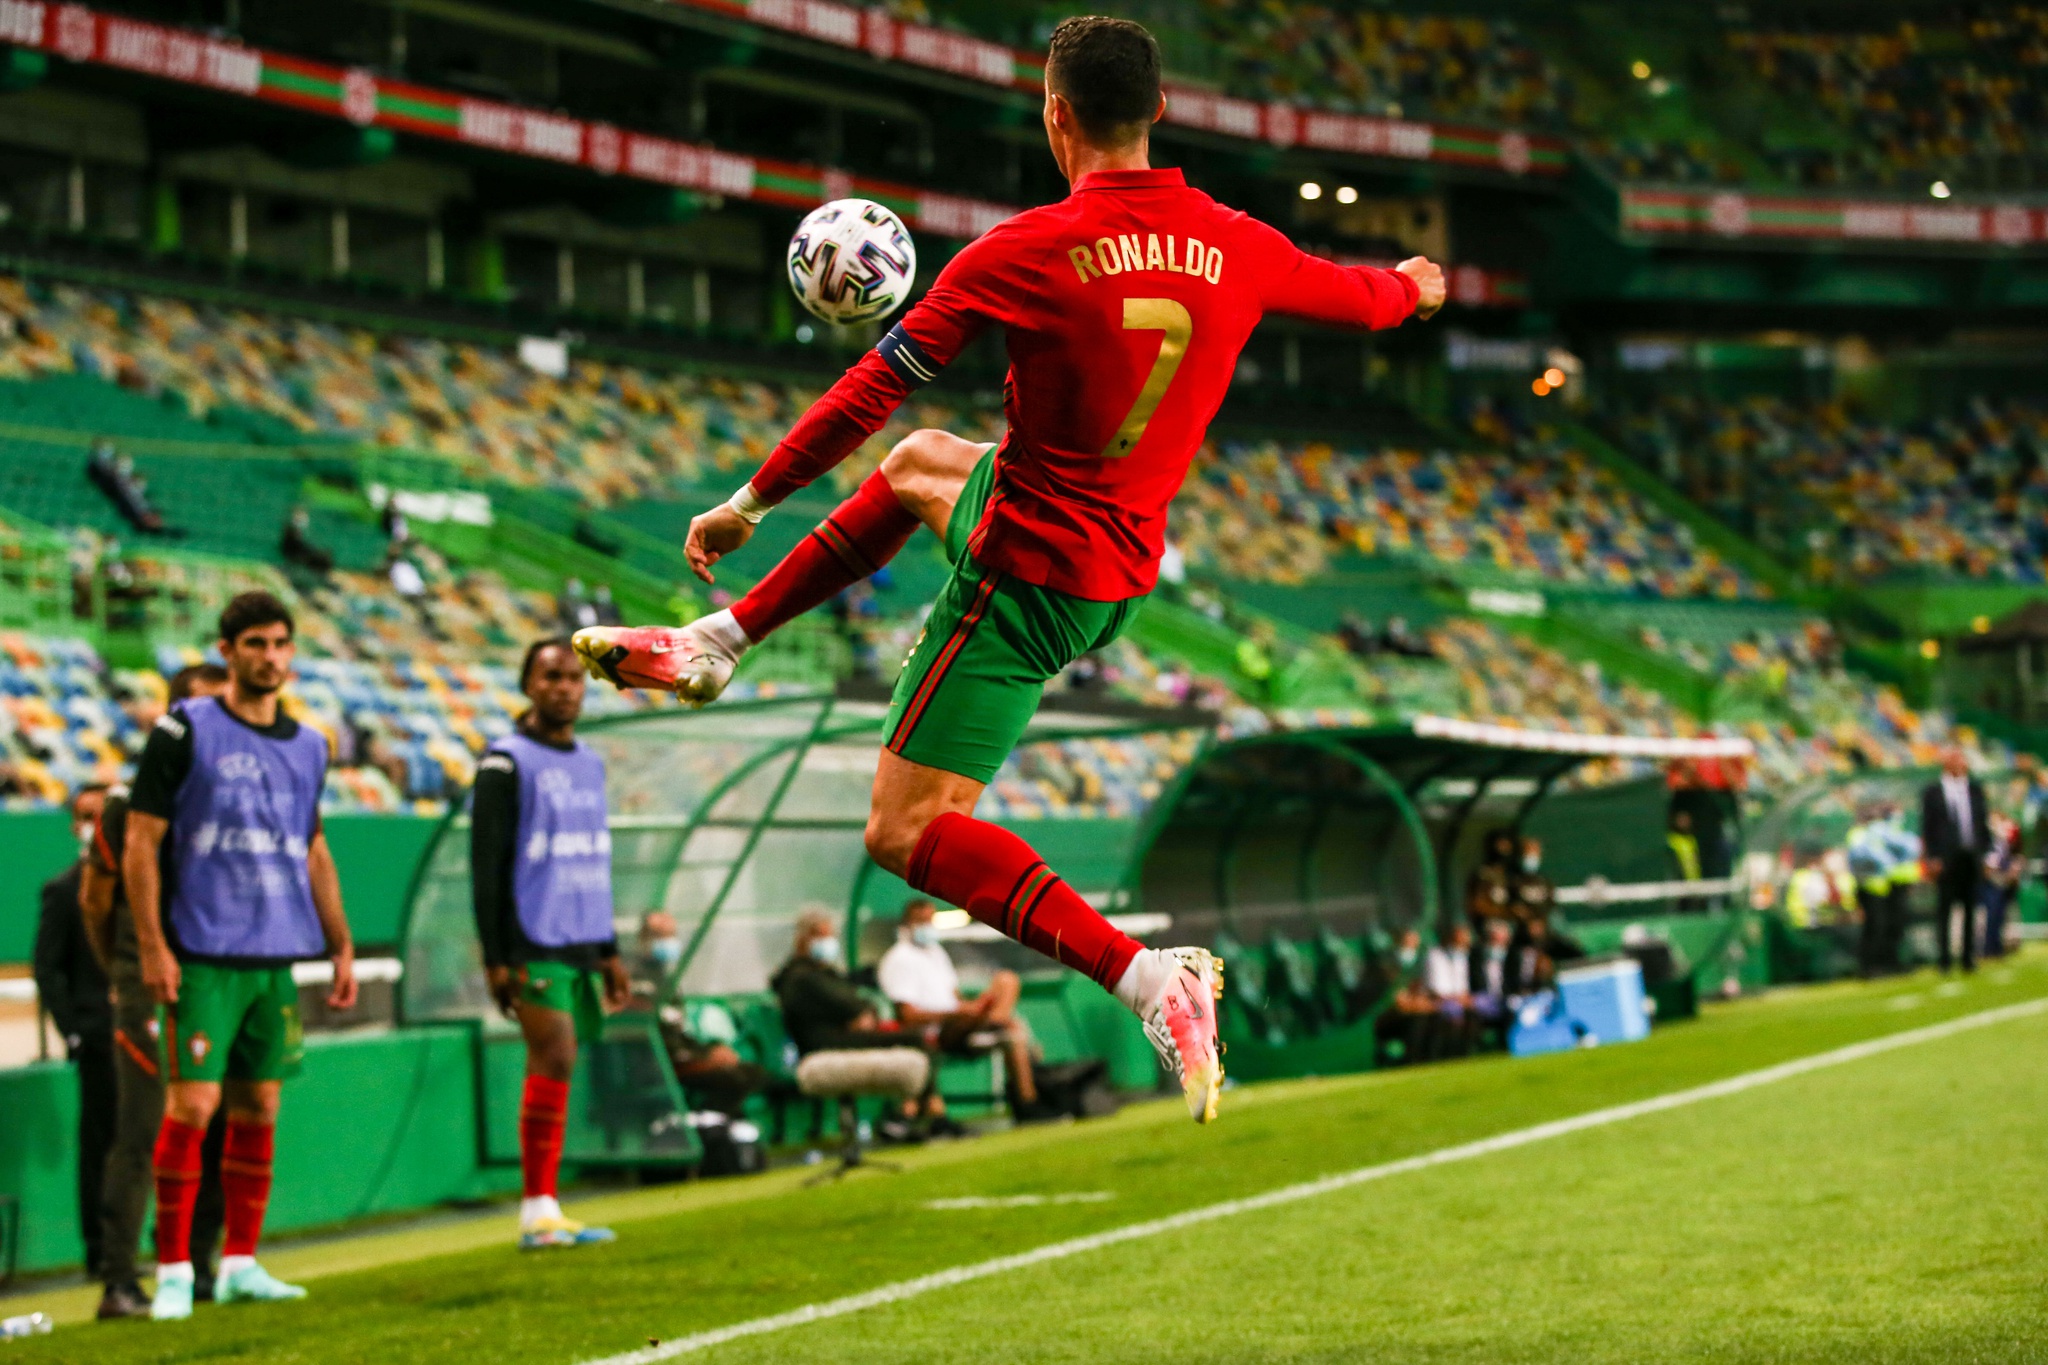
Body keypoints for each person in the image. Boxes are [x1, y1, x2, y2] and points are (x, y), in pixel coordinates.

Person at [572, 14, 1445, 1125]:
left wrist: (751, 500)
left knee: (903, 831)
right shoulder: (1239, 242)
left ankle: (1149, 978)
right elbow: (1364, 298)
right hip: (1116, 565)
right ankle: (716, 645)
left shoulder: (1022, 251)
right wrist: (1410, 285)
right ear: (1159, 112)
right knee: (918, 466)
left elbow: (867, 384)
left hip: (1021, 571)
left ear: (1054, 115)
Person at [124, 593, 358, 1321]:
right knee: (193, 1104)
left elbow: (312, 845)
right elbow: (138, 843)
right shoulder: (183, 729)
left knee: (260, 1103)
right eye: (255, 642)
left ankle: (239, 1262)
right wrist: (154, 947)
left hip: (276, 951)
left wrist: (341, 939)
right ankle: (169, 1271)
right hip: (200, 950)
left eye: (282, 643)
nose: (270, 656)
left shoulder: (310, 745)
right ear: (226, 651)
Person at [470, 639, 630, 1251]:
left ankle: (547, 1205)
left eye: (573, 677)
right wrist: (497, 957)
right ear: (528, 685)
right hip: (530, 937)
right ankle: (537, 1208)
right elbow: (487, 866)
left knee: (563, 1061)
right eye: (550, 677)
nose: (564, 687)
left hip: (581, 936)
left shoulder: (589, 762)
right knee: (555, 1054)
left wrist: (609, 949)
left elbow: (595, 856)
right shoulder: (504, 764)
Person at [84, 664, 230, 1321]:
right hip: (151, 984)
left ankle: (202, 1267)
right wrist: (130, 968)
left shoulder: (235, 798)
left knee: (220, 1123)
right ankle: (119, 1278)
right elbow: (95, 901)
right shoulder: (127, 803)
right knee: (143, 1129)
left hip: (219, 974)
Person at [32, 783, 113, 1289]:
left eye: (100, 815)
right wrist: (75, 1031)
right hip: (98, 1039)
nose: (92, 825)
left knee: (143, 1143)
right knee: (101, 1146)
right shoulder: (63, 890)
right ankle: (100, 1252)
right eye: (85, 816)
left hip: (139, 1034)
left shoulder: (136, 882)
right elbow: (47, 967)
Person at [771, 908, 941, 1141]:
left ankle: (917, 1112)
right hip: (825, 1043)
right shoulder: (799, 977)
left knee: (914, 1038)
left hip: (841, 1036)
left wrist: (861, 1014)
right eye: (821, 936)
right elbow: (851, 1004)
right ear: (803, 939)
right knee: (913, 1039)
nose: (829, 943)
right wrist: (856, 1015)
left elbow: (861, 1004)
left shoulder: (822, 973)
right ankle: (912, 1115)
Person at [876, 898, 1042, 1115]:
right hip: (936, 1032)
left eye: (930, 920)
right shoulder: (898, 959)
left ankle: (997, 1022)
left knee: (1006, 981)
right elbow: (907, 1016)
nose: (927, 926)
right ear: (907, 923)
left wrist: (970, 1008)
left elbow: (955, 998)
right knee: (1013, 1030)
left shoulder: (936, 953)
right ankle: (1029, 1103)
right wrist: (960, 1012)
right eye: (921, 921)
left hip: (960, 1024)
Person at [1920, 747, 1990, 973]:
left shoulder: (1975, 789)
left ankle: (1969, 956)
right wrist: (1932, 857)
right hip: (1946, 858)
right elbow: (1928, 827)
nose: (1962, 764)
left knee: (1971, 907)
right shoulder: (1933, 792)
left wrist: (1986, 854)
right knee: (1945, 908)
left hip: (1970, 855)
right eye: (1956, 759)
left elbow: (1982, 823)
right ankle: (1944, 958)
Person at [1979, 813, 2021, 962]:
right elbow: (1987, 866)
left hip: (2002, 884)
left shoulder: (2003, 842)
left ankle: (1996, 947)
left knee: (1999, 917)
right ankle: (1989, 949)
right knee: (1991, 917)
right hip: (1992, 884)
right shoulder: (1988, 841)